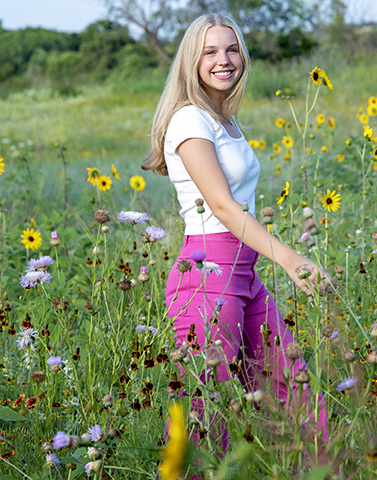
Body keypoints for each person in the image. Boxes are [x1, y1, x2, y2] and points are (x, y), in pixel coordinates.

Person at [142, 13, 328, 454]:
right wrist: (292, 259)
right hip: (206, 278)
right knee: (204, 418)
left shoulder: (223, 119)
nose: (224, 60)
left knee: (295, 391)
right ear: (191, 60)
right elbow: (223, 207)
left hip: (243, 277)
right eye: (210, 51)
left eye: (231, 49)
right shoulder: (190, 120)